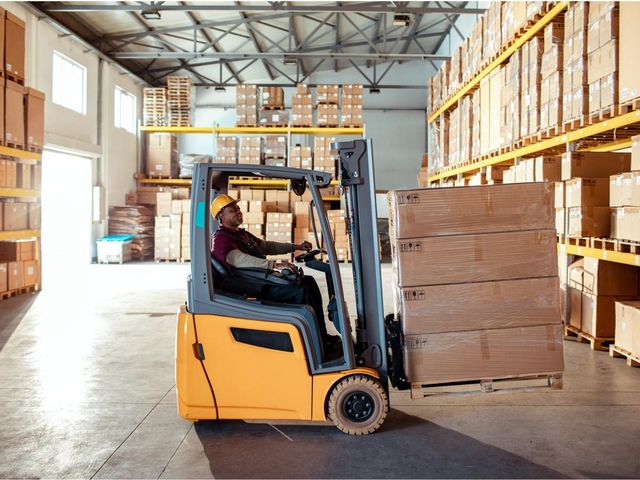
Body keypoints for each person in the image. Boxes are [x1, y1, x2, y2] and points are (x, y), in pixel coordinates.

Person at [210, 193, 341, 352]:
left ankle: (321, 335)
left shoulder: (241, 234)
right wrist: (273, 265)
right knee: (301, 292)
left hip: (258, 279)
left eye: (238, 208)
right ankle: (316, 345)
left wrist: (295, 247)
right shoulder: (221, 238)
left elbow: (266, 246)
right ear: (221, 216)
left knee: (309, 282)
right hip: (250, 286)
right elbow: (236, 259)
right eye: (232, 210)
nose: (238, 211)